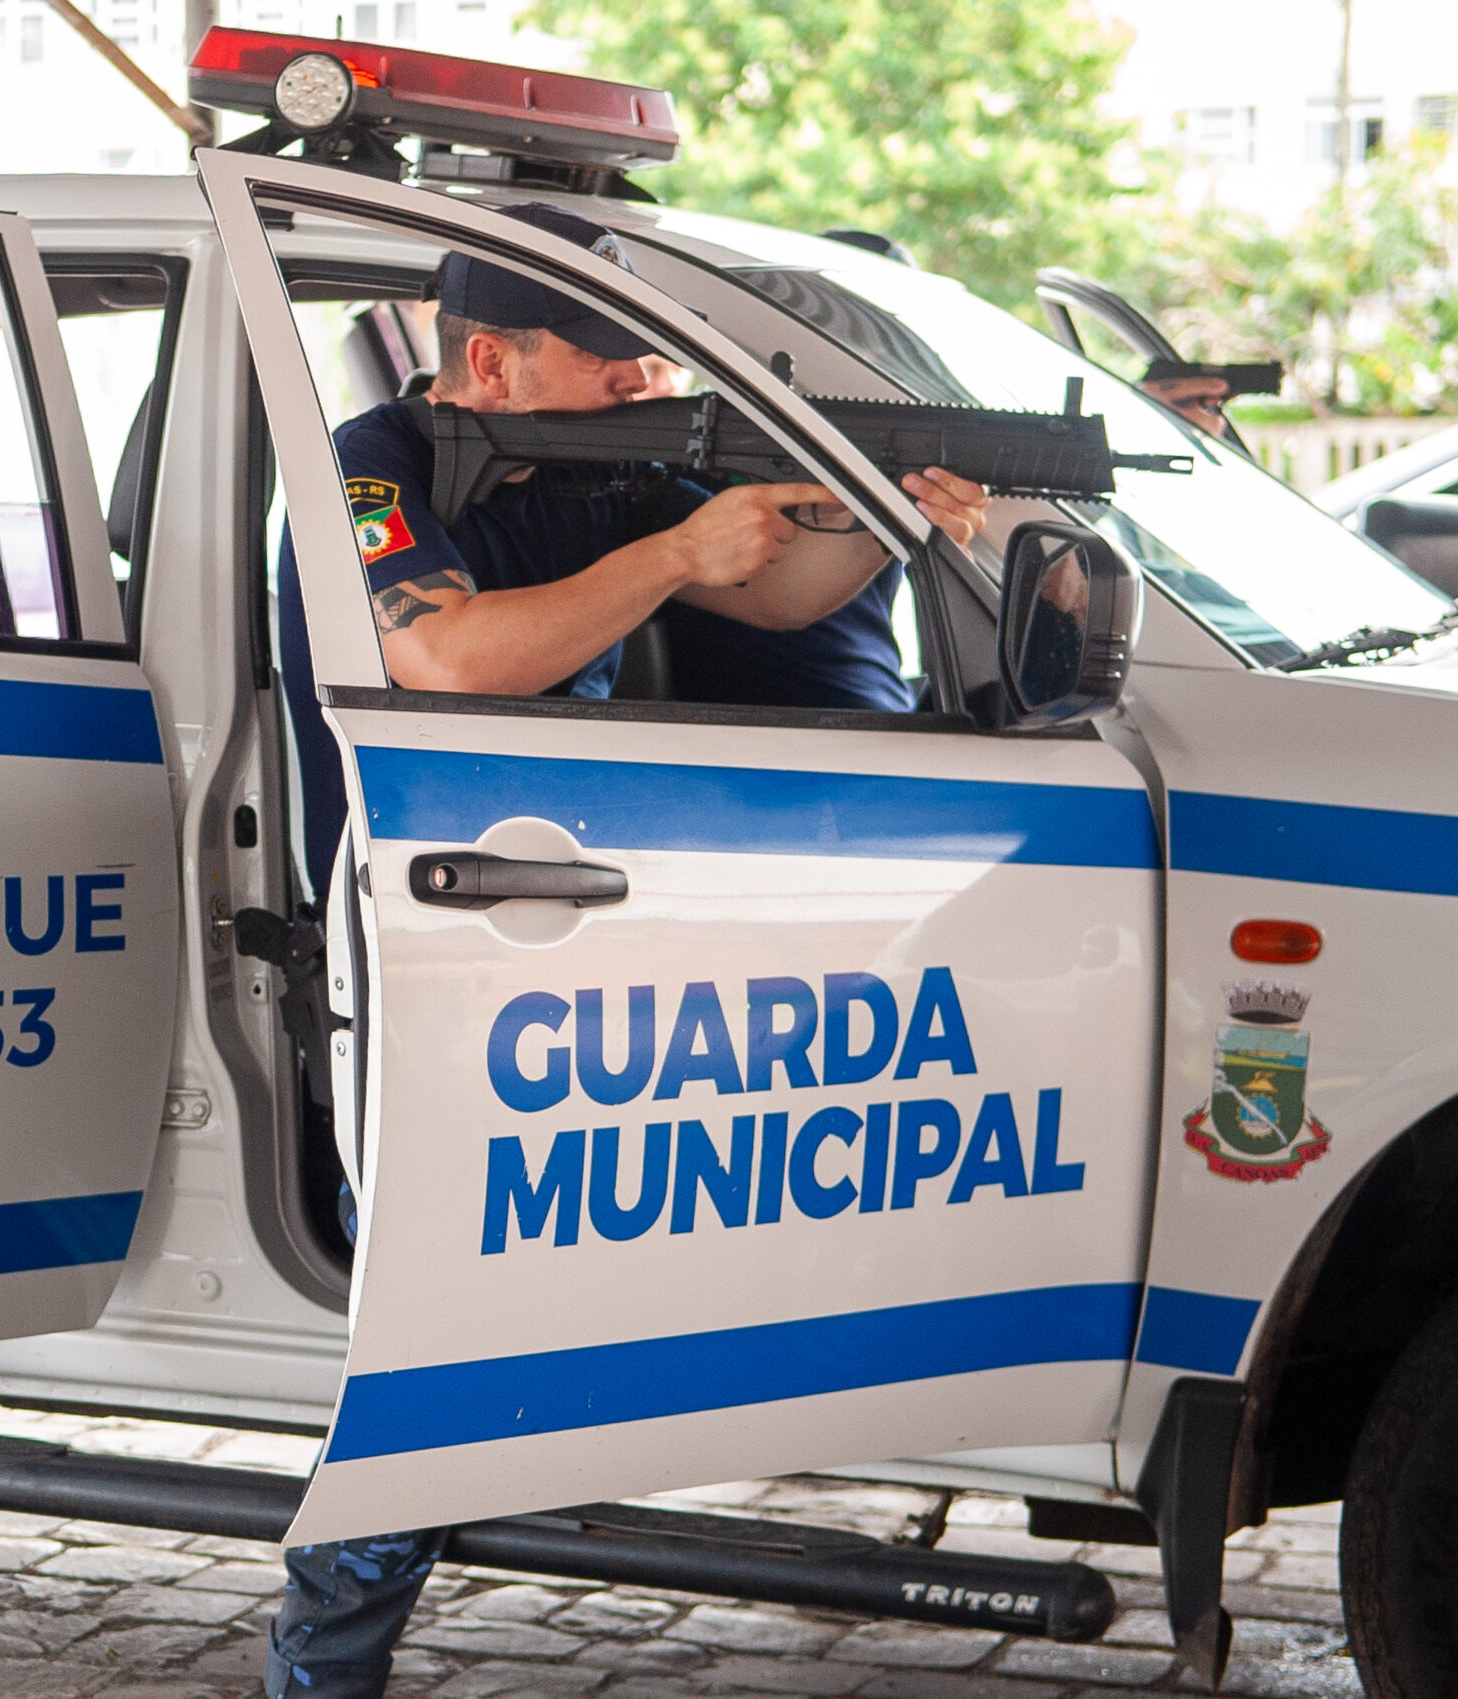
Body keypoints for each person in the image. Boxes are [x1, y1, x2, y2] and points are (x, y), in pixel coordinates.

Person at [267, 204, 990, 1699]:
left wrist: (888, 514)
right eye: (602, 362)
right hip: (407, 951)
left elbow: (775, 591)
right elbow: (451, 657)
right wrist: (670, 546)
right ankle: (315, 1672)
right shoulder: (367, 473)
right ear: (488, 358)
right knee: (429, 1353)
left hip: (546, 943)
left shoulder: (598, 466)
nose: (635, 380)